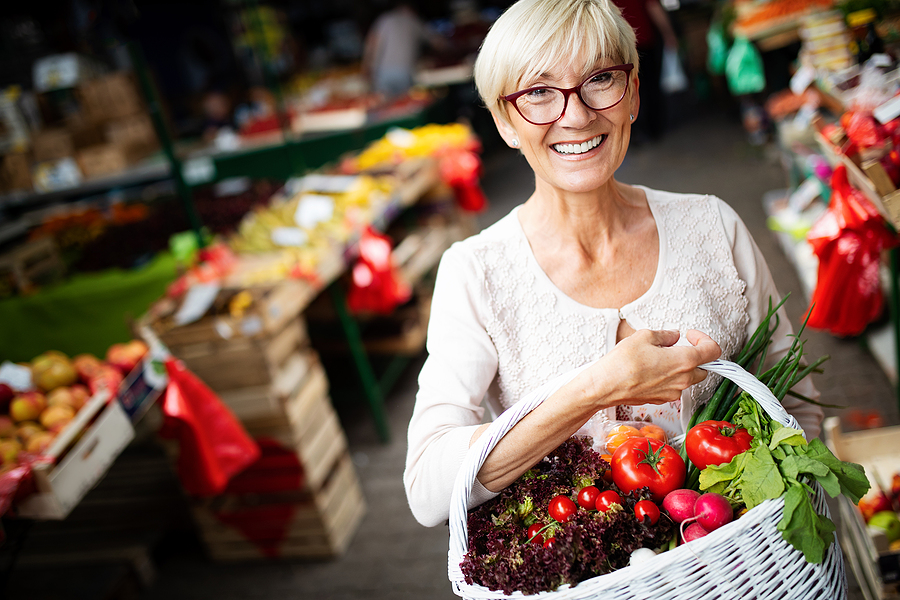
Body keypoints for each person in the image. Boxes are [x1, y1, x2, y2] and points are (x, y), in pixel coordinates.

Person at [403, 0, 823, 529]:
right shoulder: (475, 272)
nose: (576, 115)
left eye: (600, 78)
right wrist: (593, 390)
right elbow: (428, 490)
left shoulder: (711, 226)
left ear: (634, 96)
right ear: (506, 123)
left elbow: (798, 407)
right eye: (537, 92)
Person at [613, 0, 680, 141]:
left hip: (620, 47)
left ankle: (634, 130)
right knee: (649, 87)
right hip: (643, 42)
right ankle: (653, 128)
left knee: (626, 89)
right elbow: (653, 6)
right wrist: (668, 33)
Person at [362, 1, 434, 97]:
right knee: (405, 104)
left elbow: (372, 44)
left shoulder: (385, 19)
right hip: (404, 71)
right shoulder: (414, 20)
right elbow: (436, 41)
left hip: (383, 71)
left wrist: (367, 67)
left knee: (384, 105)